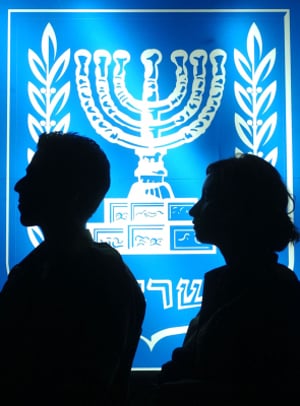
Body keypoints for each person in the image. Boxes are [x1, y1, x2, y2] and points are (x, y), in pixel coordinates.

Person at [0, 132, 145, 405]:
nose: (19, 186)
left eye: (36, 177)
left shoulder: (99, 278)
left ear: (71, 193)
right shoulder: (45, 268)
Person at [158, 154, 300, 405]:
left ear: (239, 210)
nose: (194, 210)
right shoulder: (257, 284)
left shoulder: (270, 295)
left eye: (208, 198)